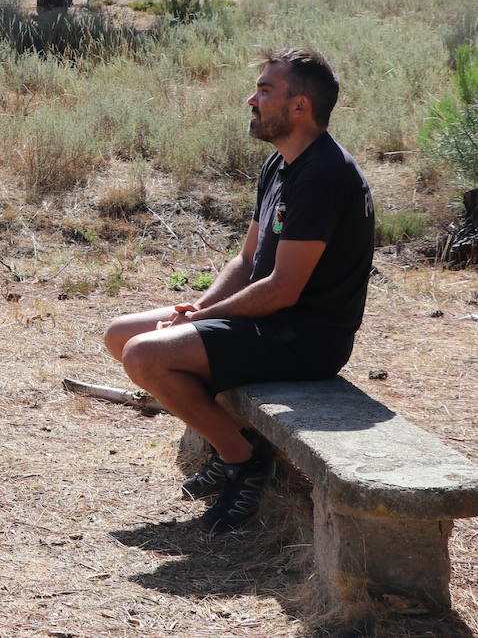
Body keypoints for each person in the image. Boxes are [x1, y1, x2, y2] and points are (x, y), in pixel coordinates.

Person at [103, 47, 374, 534]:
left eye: (266, 90)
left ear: (299, 107)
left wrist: (200, 321)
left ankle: (243, 461)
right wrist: (202, 307)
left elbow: (282, 289)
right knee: (121, 335)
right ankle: (229, 443)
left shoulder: (324, 176)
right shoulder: (282, 165)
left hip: (305, 339)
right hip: (267, 322)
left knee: (145, 356)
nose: (252, 99)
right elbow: (248, 260)